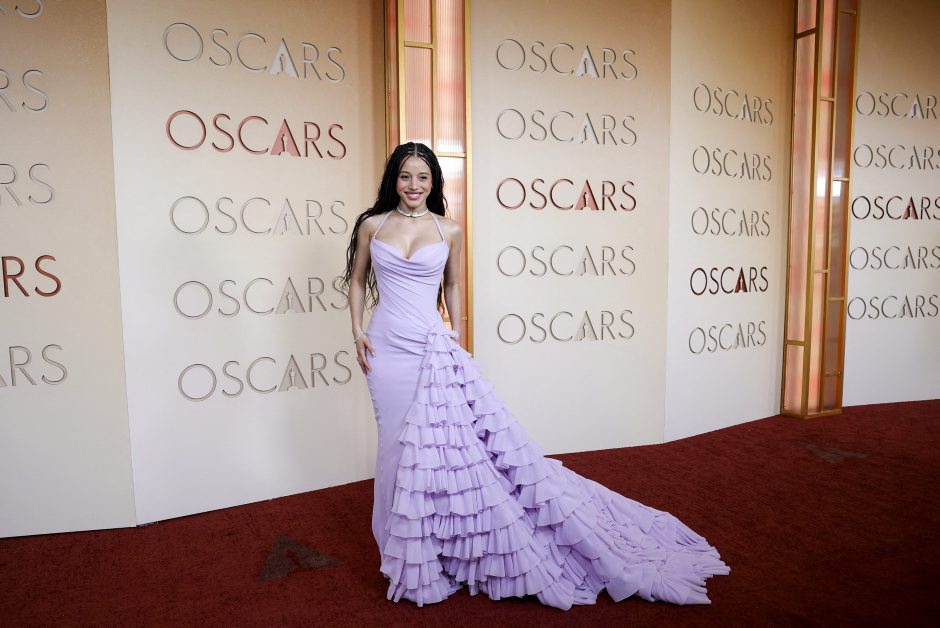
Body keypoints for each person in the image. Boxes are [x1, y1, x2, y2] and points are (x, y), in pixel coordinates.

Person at [341, 142, 729, 609]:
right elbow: (357, 280)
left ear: (434, 182)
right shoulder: (373, 225)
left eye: (423, 177)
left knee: (436, 452)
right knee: (395, 449)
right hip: (385, 351)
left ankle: (434, 551)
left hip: (430, 348)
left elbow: (453, 284)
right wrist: (357, 332)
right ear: (394, 179)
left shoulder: (449, 229)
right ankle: (402, 552)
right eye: (406, 176)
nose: (414, 185)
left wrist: (457, 338)